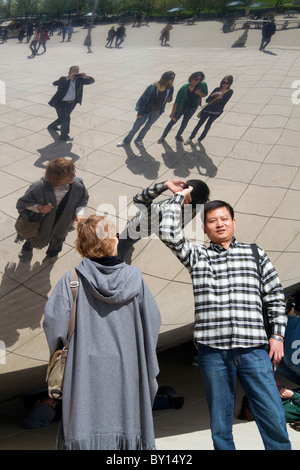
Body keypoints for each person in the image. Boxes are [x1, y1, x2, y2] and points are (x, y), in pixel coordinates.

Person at [159, 194, 291, 450]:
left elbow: (275, 294)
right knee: (220, 423)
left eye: (224, 219)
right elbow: (167, 233)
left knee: (272, 416)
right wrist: (179, 198)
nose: (219, 224)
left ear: (233, 222)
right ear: (205, 228)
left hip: (253, 350)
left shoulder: (255, 253)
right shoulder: (197, 256)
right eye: (212, 221)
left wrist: (277, 335)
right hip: (213, 353)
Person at [43, 215, 161, 449]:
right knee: (128, 426)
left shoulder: (72, 280)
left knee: (84, 425)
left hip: (83, 370)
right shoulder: (135, 281)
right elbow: (153, 323)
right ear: (113, 241)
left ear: (82, 244)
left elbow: (54, 325)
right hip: (128, 369)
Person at [118, 179, 210, 263]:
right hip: (146, 227)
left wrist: (165, 185)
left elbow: (139, 199)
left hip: (136, 230)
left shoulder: (162, 211)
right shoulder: (196, 208)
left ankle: (116, 261)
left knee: (122, 246)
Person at [16, 158, 89, 260]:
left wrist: (79, 213)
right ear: (57, 178)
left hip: (63, 221)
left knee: (58, 238)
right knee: (34, 236)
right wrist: (38, 208)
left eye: (74, 172)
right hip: (40, 222)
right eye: (70, 175)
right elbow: (23, 203)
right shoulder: (38, 187)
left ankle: (52, 253)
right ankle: (29, 246)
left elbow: (82, 199)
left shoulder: (77, 186)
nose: (75, 176)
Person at [117, 71, 175, 147]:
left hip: (157, 111)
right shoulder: (153, 86)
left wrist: (169, 99)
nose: (172, 80)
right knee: (136, 127)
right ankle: (126, 141)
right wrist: (139, 113)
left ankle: (139, 139)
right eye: (171, 78)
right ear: (165, 77)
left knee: (147, 126)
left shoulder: (170, 88)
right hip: (146, 111)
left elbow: (170, 97)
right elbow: (143, 100)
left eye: (173, 78)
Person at [158, 72, 208, 143]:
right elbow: (176, 102)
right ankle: (163, 136)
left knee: (184, 123)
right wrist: (173, 113)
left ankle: (178, 135)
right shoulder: (184, 88)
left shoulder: (202, 85)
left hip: (191, 109)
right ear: (191, 78)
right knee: (172, 122)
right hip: (181, 109)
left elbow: (205, 94)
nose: (198, 81)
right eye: (196, 79)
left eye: (200, 79)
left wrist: (200, 93)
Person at [48, 65, 95, 141]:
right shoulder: (63, 79)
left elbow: (92, 81)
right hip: (60, 103)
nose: (75, 73)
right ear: (69, 72)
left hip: (71, 103)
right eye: (74, 71)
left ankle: (52, 126)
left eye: (77, 71)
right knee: (66, 118)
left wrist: (86, 76)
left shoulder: (79, 80)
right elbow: (55, 83)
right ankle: (64, 136)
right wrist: (68, 79)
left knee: (64, 117)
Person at [184, 75, 233, 145]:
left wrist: (220, 97)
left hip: (215, 112)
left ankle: (199, 140)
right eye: (223, 82)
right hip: (207, 110)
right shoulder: (217, 89)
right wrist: (213, 95)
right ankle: (190, 138)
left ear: (230, 84)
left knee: (207, 126)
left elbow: (223, 103)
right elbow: (207, 100)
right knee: (199, 124)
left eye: (227, 83)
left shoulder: (230, 92)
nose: (224, 84)